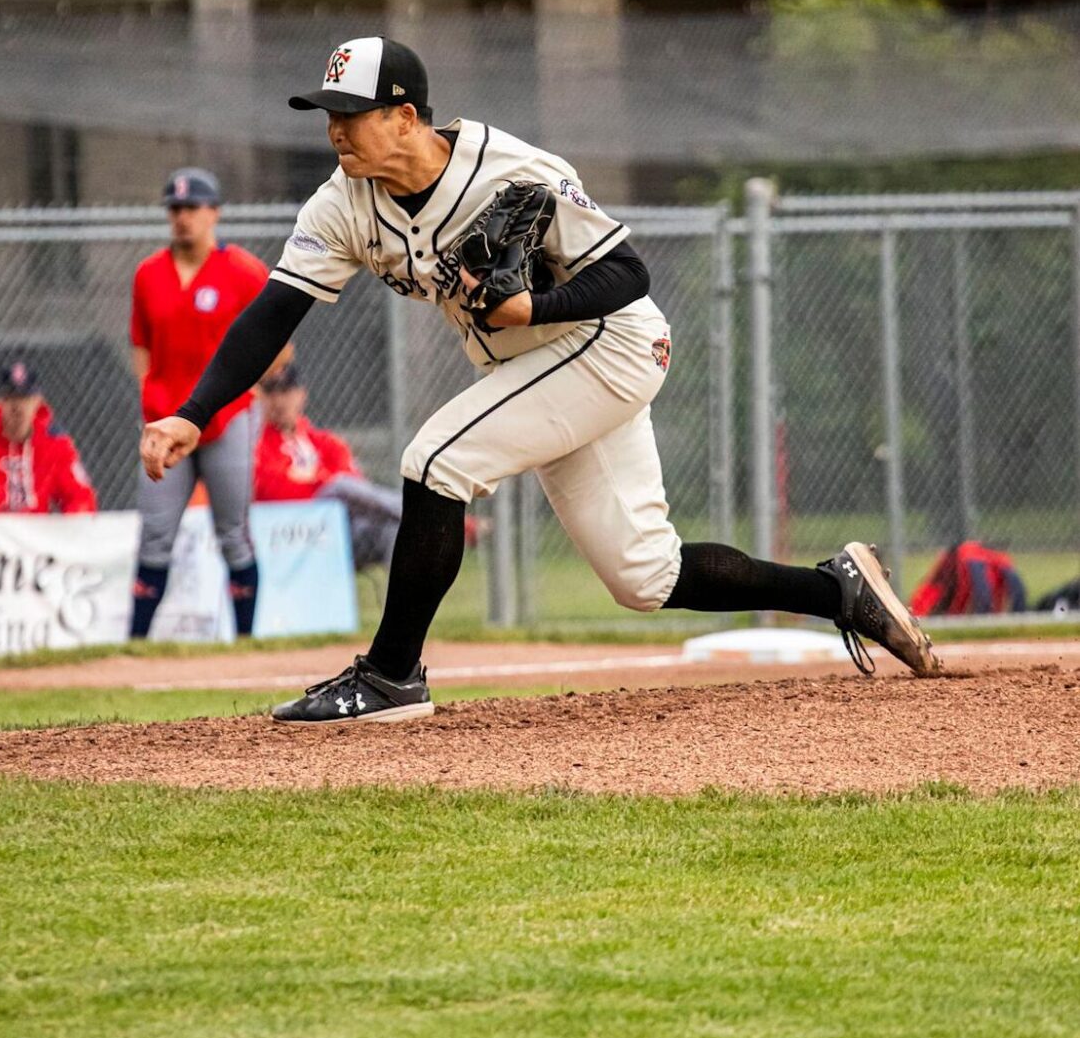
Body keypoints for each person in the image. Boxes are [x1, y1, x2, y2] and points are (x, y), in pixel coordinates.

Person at [140, 36, 938, 723]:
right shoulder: (342, 205)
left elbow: (629, 271)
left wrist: (535, 303)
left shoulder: (511, 169)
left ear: (406, 117)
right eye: (328, 112)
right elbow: (273, 311)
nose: (334, 129)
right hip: (538, 370)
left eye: (350, 112)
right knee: (643, 575)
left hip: (611, 344)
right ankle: (840, 591)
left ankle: (391, 674)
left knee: (434, 460)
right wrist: (195, 411)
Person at [129, 167, 269, 639]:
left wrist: (246, 396)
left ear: (215, 213)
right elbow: (141, 348)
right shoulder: (149, 273)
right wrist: (152, 403)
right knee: (155, 535)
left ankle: (246, 643)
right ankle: (135, 646)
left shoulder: (244, 271)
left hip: (227, 418)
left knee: (232, 534)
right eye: (175, 208)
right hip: (166, 422)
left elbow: (277, 347)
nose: (182, 217)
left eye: (191, 208)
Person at [254, 363, 402, 571]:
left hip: (339, 531)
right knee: (338, 487)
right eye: (270, 392)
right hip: (287, 535)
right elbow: (272, 490)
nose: (279, 400)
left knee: (394, 529)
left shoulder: (325, 442)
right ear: (261, 398)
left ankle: (401, 602)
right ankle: (417, 512)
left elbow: (355, 483)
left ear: (301, 394)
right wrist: (324, 481)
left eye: (286, 390)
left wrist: (310, 478)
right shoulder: (256, 443)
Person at [0, 359, 97, 515]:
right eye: (10, 398)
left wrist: (69, 523)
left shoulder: (56, 442)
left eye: (25, 399)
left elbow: (81, 497)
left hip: (35, 536)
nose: (17, 407)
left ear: (38, 401)